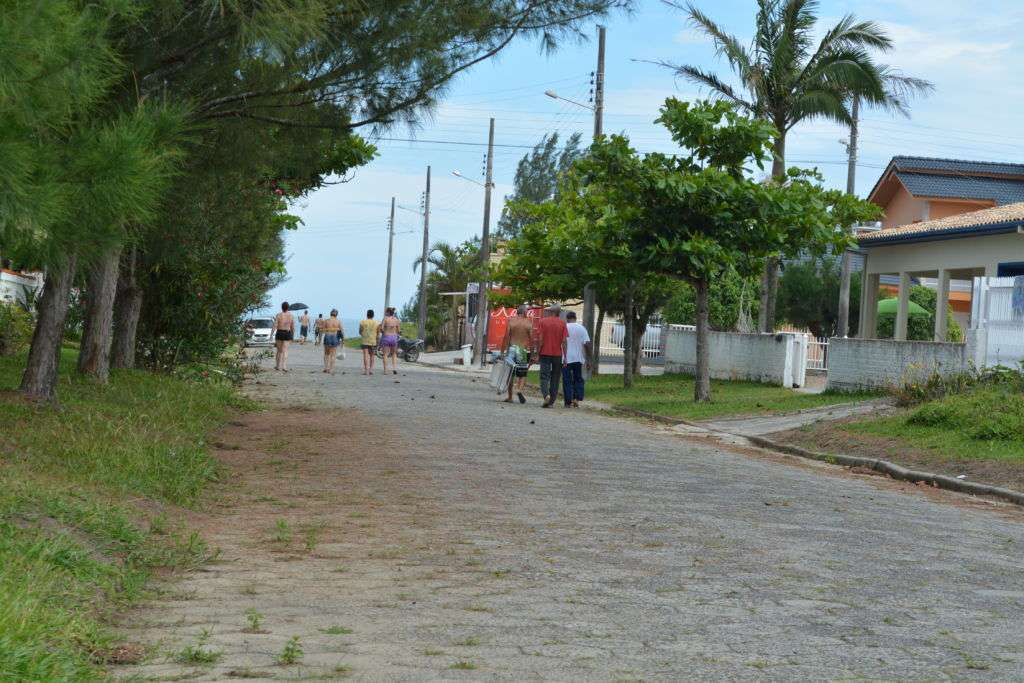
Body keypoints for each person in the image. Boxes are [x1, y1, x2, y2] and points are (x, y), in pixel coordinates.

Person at [535, 303, 568, 408]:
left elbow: (540, 339)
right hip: (557, 354)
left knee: (544, 376)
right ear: (558, 312)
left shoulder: (543, 321)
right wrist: (565, 357)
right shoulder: (563, 323)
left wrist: (537, 353)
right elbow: (564, 341)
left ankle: (546, 395)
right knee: (556, 377)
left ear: (551, 311)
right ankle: (552, 401)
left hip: (545, 352)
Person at [501, 304, 534, 404]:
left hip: (511, 349)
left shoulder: (511, 321)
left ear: (517, 312)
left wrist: (503, 351)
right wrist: (532, 353)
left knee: (510, 374)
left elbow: (506, 336)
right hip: (521, 350)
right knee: (522, 373)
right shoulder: (528, 323)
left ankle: (510, 396)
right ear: (524, 312)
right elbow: (531, 339)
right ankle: (519, 389)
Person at [561, 311, 592, 408]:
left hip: (565, 358)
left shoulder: (564, 327)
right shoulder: (582, 328)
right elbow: (587, 344)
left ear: (567, 318)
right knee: (578, 378)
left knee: (567, 380)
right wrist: (589, 359)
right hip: (578, 358)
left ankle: (568, 401)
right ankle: (576, 398)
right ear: (575, 318)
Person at [271, 301, 295, 371]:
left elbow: (275, 325)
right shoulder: (291, 316)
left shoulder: (278, 315)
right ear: (288, 308)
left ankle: (277, 366)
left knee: (279, 351)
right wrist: (292, 336)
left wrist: (271, 334)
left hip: (279, 332)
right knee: (285, 350)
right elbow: (293, 327)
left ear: (282, 308)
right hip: (287, 333)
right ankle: (284, 366)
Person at [378, 307, 402, 375]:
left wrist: (382, 331)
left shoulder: (385, 319)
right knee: (394, 354)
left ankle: (385, 370)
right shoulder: (396, 320)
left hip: (386, 337)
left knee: (385, 354)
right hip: (394, 337)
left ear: (388, 312)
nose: (385, 313)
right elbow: (399, 331)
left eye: (386, 312)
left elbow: (381, 329)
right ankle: (394, 368)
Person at [321, 309, 344, 374]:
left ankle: (326, 368)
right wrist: (343, 340)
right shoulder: (338, 321)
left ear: (330, 314)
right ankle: (331, 369)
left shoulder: (326, 321)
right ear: (336, 315)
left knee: (326, 354)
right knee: (333, 355)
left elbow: (322, 330)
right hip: (335, 337)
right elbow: (342, 331)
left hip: (327, 336)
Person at [359, 309, 380, 375]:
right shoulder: (377, 323)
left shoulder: (362, 322)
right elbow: (378, 333)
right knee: (372, 355)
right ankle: (371, 370)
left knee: (365, 355)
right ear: (373, 315)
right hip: (373, 341)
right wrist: (378, 341)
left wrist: (364, 334)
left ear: (367, 315)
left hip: (365, 340)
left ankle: (366, 370)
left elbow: (360, 332)